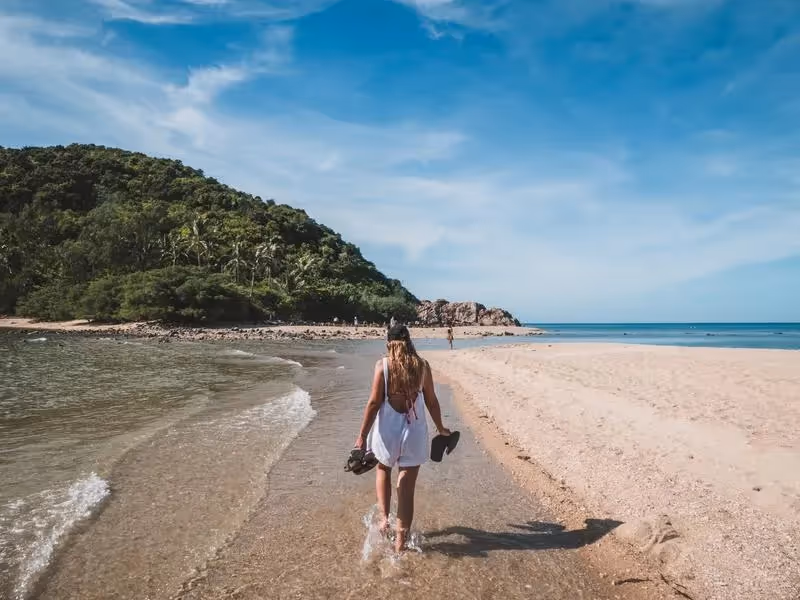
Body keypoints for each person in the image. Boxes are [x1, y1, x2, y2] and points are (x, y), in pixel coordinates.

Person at [354, 323, 451, 552]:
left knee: (383, 470)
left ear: (389, 343)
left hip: (387, 430)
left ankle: (384, 518)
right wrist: (441, 428)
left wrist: (361, 436)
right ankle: (400, 543)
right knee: (406, 486)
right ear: (409, 342)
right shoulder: (422, 366)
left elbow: (374, 403)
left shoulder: (382, 366)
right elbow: (432, 401)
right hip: (414, 432)